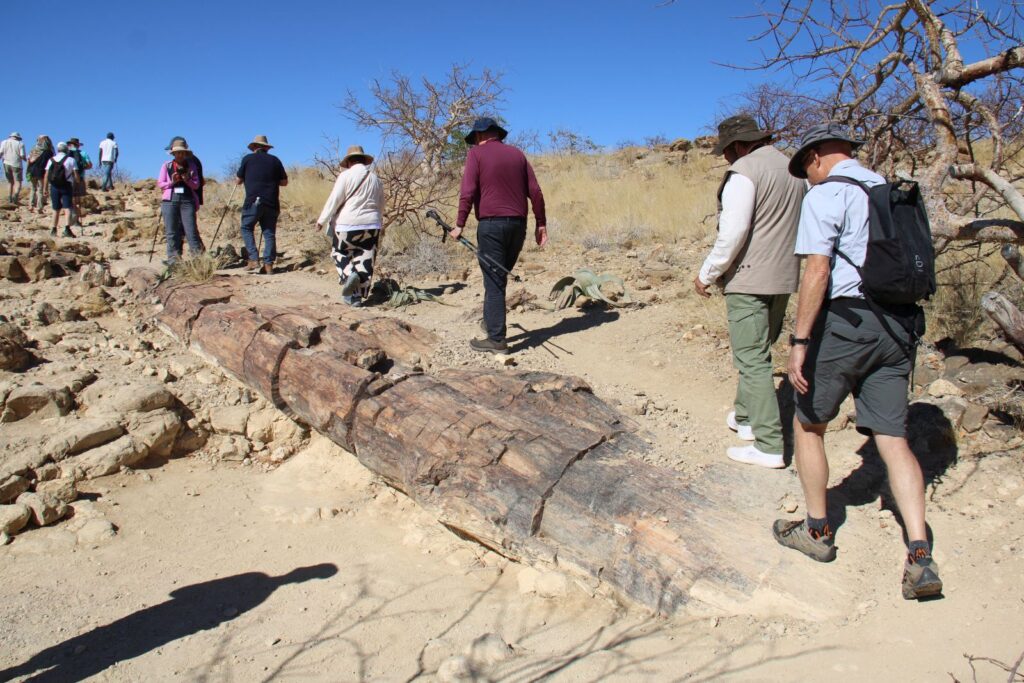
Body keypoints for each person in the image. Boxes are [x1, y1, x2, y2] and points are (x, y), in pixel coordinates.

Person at [773, 122, 942, 600]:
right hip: (898, 325)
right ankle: (919, 553)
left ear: (816, 157)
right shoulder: (889, 191)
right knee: (893, 438)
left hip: (848, 322)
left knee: (809, 424)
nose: (807, 178)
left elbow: (817, 270)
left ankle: (817, 531)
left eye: (806, 168)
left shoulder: (826, 194)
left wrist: (800, 341)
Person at [694, 115, 806, 469]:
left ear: (740, 144)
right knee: (759, 349)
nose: (727, 157)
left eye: (728, 150)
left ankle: (769, 444)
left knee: (752, 359)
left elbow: (733, 232)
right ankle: (744, 417)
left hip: (749, 278)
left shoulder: (744, 171)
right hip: (784, 276)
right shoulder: (794, 169)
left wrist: (707, 273)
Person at [453, 117, 547, 354]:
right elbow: (535, 192)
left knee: (494, 281)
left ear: (478, 135)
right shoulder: (517, 154)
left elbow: (468, 191)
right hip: (518, 226)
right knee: (499, 276)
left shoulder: (476, 154)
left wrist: (459, 224)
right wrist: (541, 224)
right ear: (497, 133)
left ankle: (496, 340)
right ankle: (490, 323)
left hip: (491, 226)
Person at [315, 145, 384, 306]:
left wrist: (321, 220)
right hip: (372, 224)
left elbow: (334, 200)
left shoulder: (345, 176)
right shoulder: (376, 179)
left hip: (347, 224)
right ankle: (357, 297)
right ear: (364, 161)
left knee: (339, 252)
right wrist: (378, 220)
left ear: (349, 162)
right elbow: (381, 204)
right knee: (365, 257)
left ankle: (349, 275)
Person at [236, 135, 287, 274]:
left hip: (253, 200)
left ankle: (253, 259)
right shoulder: (275, 160)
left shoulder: (247, 159)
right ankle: (268, 265)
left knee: (246, 227)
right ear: (266, 148)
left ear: (254, 147)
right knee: (269, 232)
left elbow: (238, 180)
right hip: (272, 201)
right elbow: (284, 182)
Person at [157, 139, 203, 265]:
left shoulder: (191, 166)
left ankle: (198, 260)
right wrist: (172, 181)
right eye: (178, 152)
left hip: (187, 200)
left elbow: (196, 185)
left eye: (182, 152)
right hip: (170, 200)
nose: (180, 155)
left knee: (191, 230)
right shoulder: (167, 166)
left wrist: (187, 179)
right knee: (171, 231)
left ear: (185, 153)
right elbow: (160, 184)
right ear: (173, 153)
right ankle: (174, 259)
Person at [44, 141, 79, 237]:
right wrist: (78, 182)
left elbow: (46, 175)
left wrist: (45, 188)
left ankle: (53, 229)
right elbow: (76, 174)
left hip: (54, 186)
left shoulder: (51, 160)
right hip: (66, 185)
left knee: (56, 208)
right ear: (66, 150)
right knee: (67, 207)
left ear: (58, 149)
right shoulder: (71, 160)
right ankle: (67, 229)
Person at [26, 135, 54, 213]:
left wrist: (27, 170)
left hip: (31, 171)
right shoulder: (49, 152)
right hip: (41, 172)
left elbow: (28, 160)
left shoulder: (34, 149)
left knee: (33, 188)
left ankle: (31, 205)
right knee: (40, 190)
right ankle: (39, 207)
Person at [66, 137, 92, 219]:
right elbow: (90, 165)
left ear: (70, 144)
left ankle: (70, 216)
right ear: (78, 145)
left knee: (69, 197)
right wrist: (82, 168)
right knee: (78, 198)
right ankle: (76, 218)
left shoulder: (65, 153)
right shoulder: (83, 153)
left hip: (67, 179)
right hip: (79, 178)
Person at [0, 131, 26, 204]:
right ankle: (15, 196)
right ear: (18, 138)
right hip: (17, 164)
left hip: (6, 163)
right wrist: (26, 160)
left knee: (10, 182)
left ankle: (9, 198)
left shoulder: (4, 142)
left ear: (10, 136)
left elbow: (0, 153)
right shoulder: (20, 144)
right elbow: (22, 155)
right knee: (18, 181)